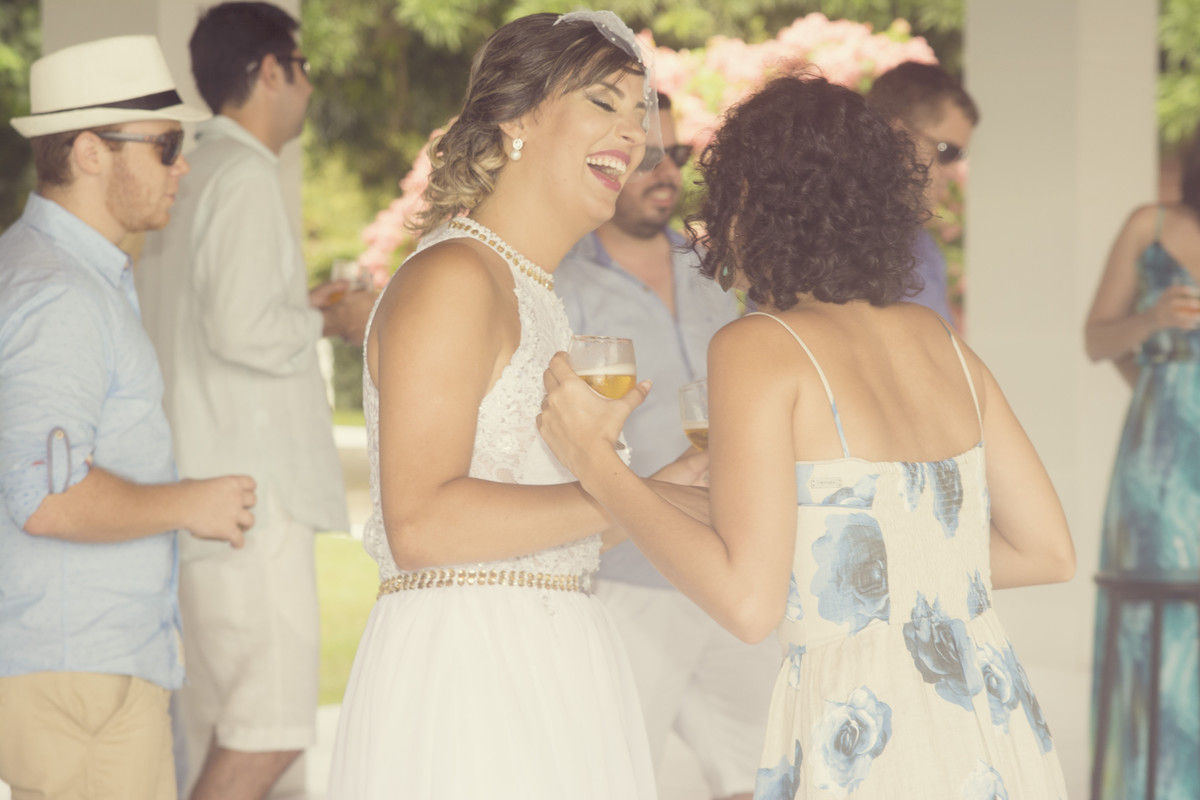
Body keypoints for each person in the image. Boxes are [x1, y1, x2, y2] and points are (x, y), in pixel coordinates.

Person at [539, 74, 1076, 798]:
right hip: (993, 720)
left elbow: (747, 601)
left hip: (869, 735)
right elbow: (1046, 551)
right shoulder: (935, 339)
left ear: (750, 201)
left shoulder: (760, 347)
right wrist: (895, 580)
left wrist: (596, 467)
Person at [325, 11, 686, 798]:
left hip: (555, 659)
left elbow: (569, 518)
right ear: (515, 119)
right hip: (469, 674)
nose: (632, 136)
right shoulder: (455, 278)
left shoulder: (536, 294)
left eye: (639, 112)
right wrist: (616, 491)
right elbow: (420, 525)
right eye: (603, 103)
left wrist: (687, 478)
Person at [0, 35, 256, 800]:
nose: (183, 166)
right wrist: (191, 502)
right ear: (88, 152)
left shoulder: (62, 274)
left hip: (79, 668)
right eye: (167, 145)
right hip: (79, 679)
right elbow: (46, 497)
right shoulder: (61, 297)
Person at [134, 4, 372, 799]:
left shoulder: (193, 171)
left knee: (224, 728)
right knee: (265, 737)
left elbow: (207, 321)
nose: (308, 85)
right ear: (272, 70)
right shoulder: (243, 175)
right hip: (248, 504)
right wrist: (330, 316)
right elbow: (242, 329)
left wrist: (302, 299)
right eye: (303, 66)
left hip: (204, 495)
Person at [555, 91, 776, 800]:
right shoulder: (558, 281)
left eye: (675, 155)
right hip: (625, 576)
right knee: (611, 780)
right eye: (645, 156)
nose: (663, 172)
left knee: (766, 774)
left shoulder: (714, 267)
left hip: (724, 559)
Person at [1083, 127, 1200, 798]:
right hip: (1159, 466)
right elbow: (1097, 340)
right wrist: (1154, 322)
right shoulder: (1148, 226)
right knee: (1148, 619)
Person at [867, 61, 978, 327]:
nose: (953, 171)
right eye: (947, 152)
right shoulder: (821, 244)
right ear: (898, 135)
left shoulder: (922, 246)